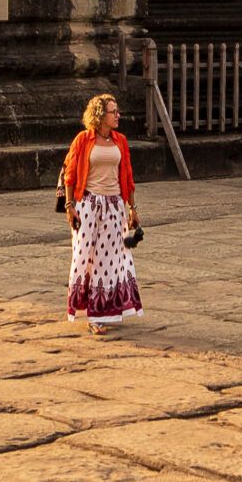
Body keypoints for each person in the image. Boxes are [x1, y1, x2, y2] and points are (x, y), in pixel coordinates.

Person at [61, 91, 143, 337]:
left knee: (108, 261)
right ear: (100, 115)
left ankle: (100, 314)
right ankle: (89, 311)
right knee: (85, 256)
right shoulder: (83, 140)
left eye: (117, 111)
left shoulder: (120, 141)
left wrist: (132, 207)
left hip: (114, 205)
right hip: (88, 205)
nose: (118, 115)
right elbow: (70, 174)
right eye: (113, 112)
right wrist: (69, 205)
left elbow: (127, 176)